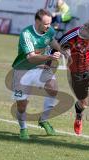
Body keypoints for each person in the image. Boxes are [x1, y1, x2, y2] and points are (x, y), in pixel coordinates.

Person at [11, 9, 62, 140]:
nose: (48, 26)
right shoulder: (26, 34)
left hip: (40, 67)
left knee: (53, 88)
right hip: (22, 70)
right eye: (46, 24)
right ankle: (23, 128)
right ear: (37, 21)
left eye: (50, 23)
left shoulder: (49, 31)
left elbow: (52, 41)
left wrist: (62, 51)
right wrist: (50, 56)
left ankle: (44, 120)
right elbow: (31, 57)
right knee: (22, 104)